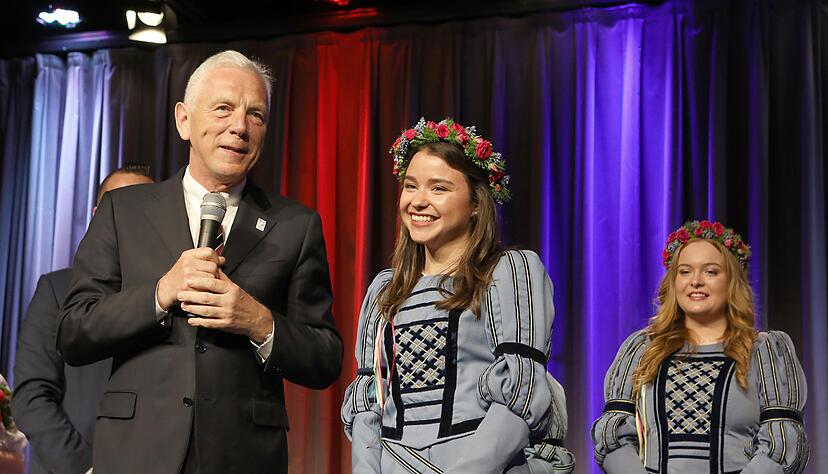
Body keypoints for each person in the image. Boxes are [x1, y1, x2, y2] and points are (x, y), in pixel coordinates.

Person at [57, 50, 343, 473]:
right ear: (184, 120)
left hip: (242, 456)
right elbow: (73, 332)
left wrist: (257, 320)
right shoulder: (123, 210)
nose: (239, 127)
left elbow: (325, 358)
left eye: (256, 115)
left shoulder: (294, 225)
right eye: (224, 108)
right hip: (136, 452)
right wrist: (160, 293)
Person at [341, 118, 574, 473]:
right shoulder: (384, 290)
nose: (418, 201)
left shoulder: (509, 271)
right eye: (410, 186)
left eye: (439, 189)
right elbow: (369, 403)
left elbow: (521, 393)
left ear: (476, 203)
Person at [592, 220, 809, 473]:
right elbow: (613, 436)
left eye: (710, 271)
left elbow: (783, 442)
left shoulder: (765, 352)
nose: (695, 281)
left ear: (731, 282)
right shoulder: (642, 349)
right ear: (673, 282)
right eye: (685, 271)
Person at [12, 165, 154, 474]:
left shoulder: (170, 298)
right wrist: (87, 467)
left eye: (141, 207)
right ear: (96, 216)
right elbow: (31, 395)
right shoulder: (57, 290)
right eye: (117, 205)